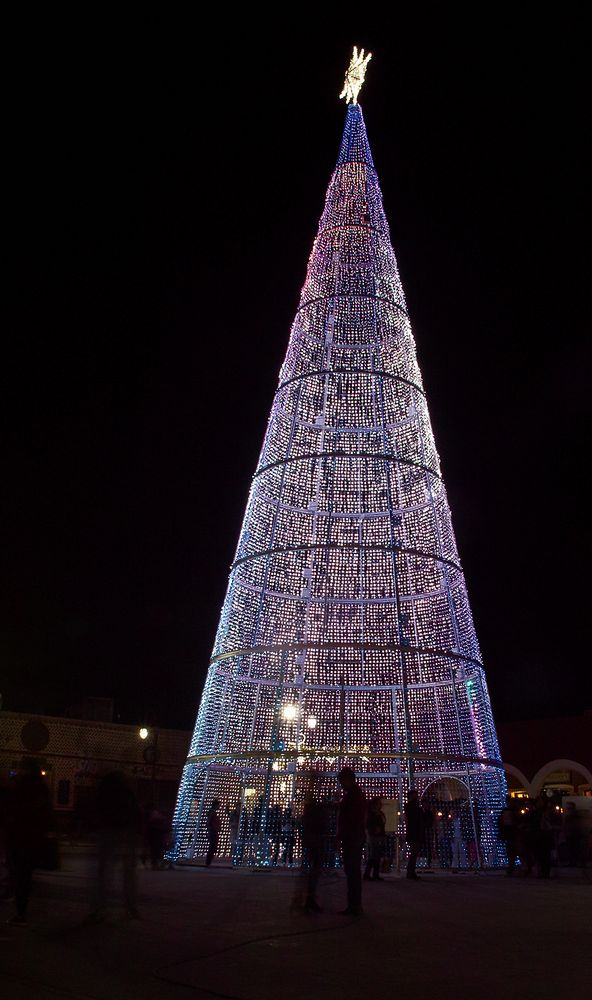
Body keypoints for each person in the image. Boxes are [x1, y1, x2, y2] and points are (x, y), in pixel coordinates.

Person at [89, 771, 142, 921]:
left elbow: (97, 810)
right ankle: (131, 907)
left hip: (109, 831)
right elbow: (136, 812)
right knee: (129, 872)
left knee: (105, 871)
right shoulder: (128, 793)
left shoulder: (105, 793)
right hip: (127, 831)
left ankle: (99, 907)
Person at [4, 758, 52, 925]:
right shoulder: (41, 788)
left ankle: (20, 911)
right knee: (23, 874)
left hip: (18, 836)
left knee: (19, 873)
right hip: (31, 838)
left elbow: (11, 807)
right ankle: (19, 903)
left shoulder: (20, 786)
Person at [337, 767, 366, 915]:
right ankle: (354, 905)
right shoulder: (355, 794)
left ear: (348, 780)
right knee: (352, 872)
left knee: (352, 872)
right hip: (354, 837)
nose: (341, 784)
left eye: (342, 781)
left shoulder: (354, 796)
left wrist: (341, 835)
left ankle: (355, 906)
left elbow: (350, 819)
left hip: (352, 838)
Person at [301, 787, 330, 913]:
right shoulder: (314, 811)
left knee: (313, 870)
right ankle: (309, 898)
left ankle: (308, 898)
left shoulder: (308, 811)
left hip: (312, 842)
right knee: (315, 870)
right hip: (316, 842)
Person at [364, 797, 386, 881]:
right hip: (373, 837)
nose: (380, 805)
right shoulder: (371, 814)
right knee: (373, 856)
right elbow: (368, 825)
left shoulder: (380, 813)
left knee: (377, 856)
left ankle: (375, 874)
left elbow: (383, 824)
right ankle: (367, 874)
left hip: (380, 836)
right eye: (379, 803)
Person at [405, 789, 423, 880]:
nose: (417, 796)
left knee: (414, 853)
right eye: (416, 795)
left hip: (414, 832)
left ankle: (411, 871)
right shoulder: (412, 806)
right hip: (414, 832)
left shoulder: (412, 806)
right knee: (414, 853)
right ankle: (410, 871)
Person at [498, 795, 518, 876]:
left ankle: (514, 868)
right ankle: (511, 867)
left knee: (514, 851)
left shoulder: (514, 810)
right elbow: (501, 822)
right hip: (509, 833)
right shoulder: (505, 811)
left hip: (514, 833)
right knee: (510, 852)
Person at [205, 799, 222, 866]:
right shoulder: (212, 812)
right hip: (213, 831)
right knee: (212, 846)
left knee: (213, 846)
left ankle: (208, 861)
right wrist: (210, 829)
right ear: (215, 805)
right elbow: (209, 822)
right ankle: (208, 862)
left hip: (213, 831)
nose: (219, 807)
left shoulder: (213, 812)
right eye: (219, 805)